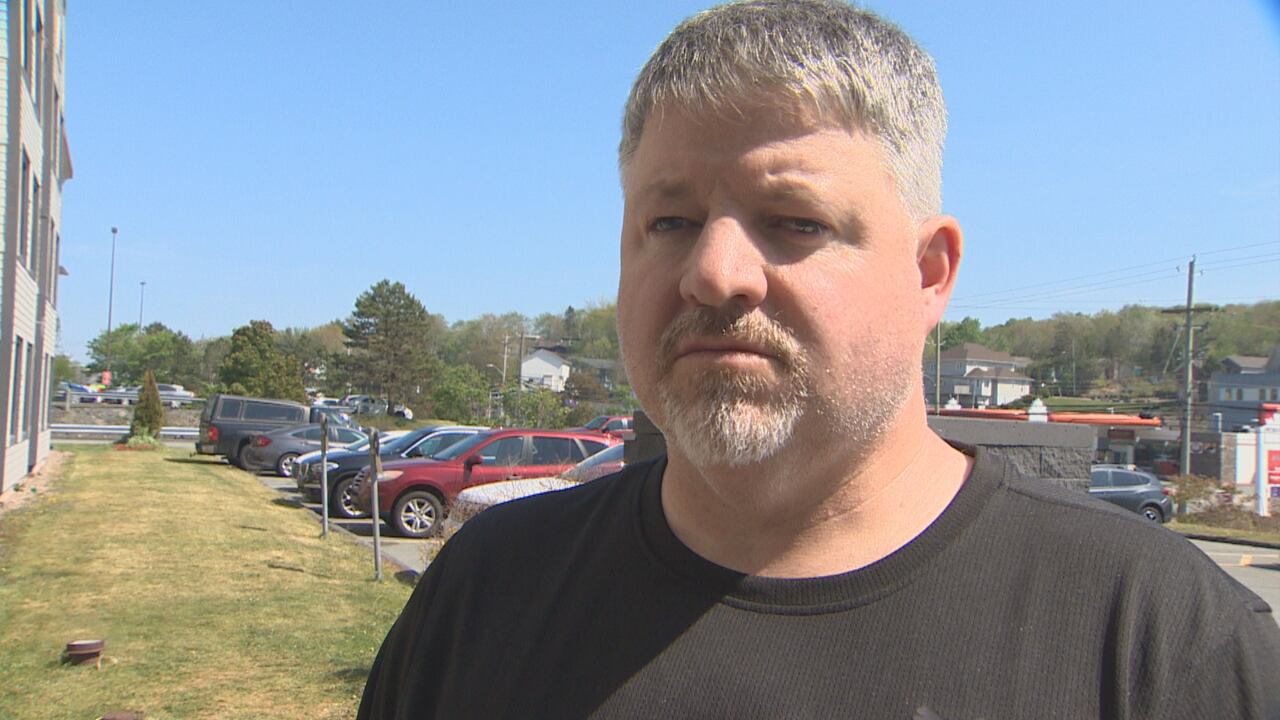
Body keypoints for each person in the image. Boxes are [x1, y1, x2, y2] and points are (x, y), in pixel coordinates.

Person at [359, 1, 1280, 717]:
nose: (715, 274)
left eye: (795, 222)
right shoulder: (485, 591)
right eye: (669, 221)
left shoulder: (1158, 642)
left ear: (928, 273)